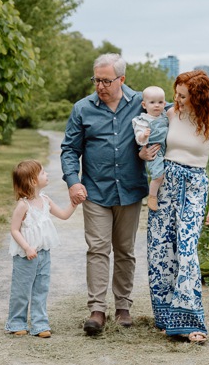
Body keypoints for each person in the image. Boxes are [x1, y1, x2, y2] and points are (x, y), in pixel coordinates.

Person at [60, 53, 153, 335]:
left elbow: (173, 111)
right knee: (98, 249)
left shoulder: (141, 103)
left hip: (130, 189)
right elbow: (69, 149)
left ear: (122, 80)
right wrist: (73, 182)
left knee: (125, 250)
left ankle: (123, 306)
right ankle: (97, 310)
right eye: (96, 80)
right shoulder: (82, 109)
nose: (100, 86)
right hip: (95, 191)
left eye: (106, 80)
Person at [145, 70, 209, 345]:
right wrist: (144, 153)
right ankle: (167, 318)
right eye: (176, 95)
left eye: (183, 96)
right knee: (160, 250)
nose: (176, 100)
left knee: (186, 250)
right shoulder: (170, 114)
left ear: (198, 96)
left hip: (194, 187)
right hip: (166, 183)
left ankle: (191, 320)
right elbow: (150, 143)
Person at [5, 159, 78, 338]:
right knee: (21, 290)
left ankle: (40, 323)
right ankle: (16, 322)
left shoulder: (45, 200)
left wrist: (74, 204)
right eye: (43, 173)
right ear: (32, 181)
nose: (47, 175)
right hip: (26, 255)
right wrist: (27, 247)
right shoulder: (23, 205)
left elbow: (63, 215)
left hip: (44, 254)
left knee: (41, 288)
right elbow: (14, 229)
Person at [132, 86, 169, 211]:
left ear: (164, 103)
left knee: (165, 174)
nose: (156, 105)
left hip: (165, 148)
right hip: (153, 150)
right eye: (152, 102)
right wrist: (144, 135)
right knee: (158, 175)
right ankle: (152, 196)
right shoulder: (142, 120)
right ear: (144, 104)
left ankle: (159, 195)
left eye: (160, 102)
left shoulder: (165, 116)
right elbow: (138, 138)